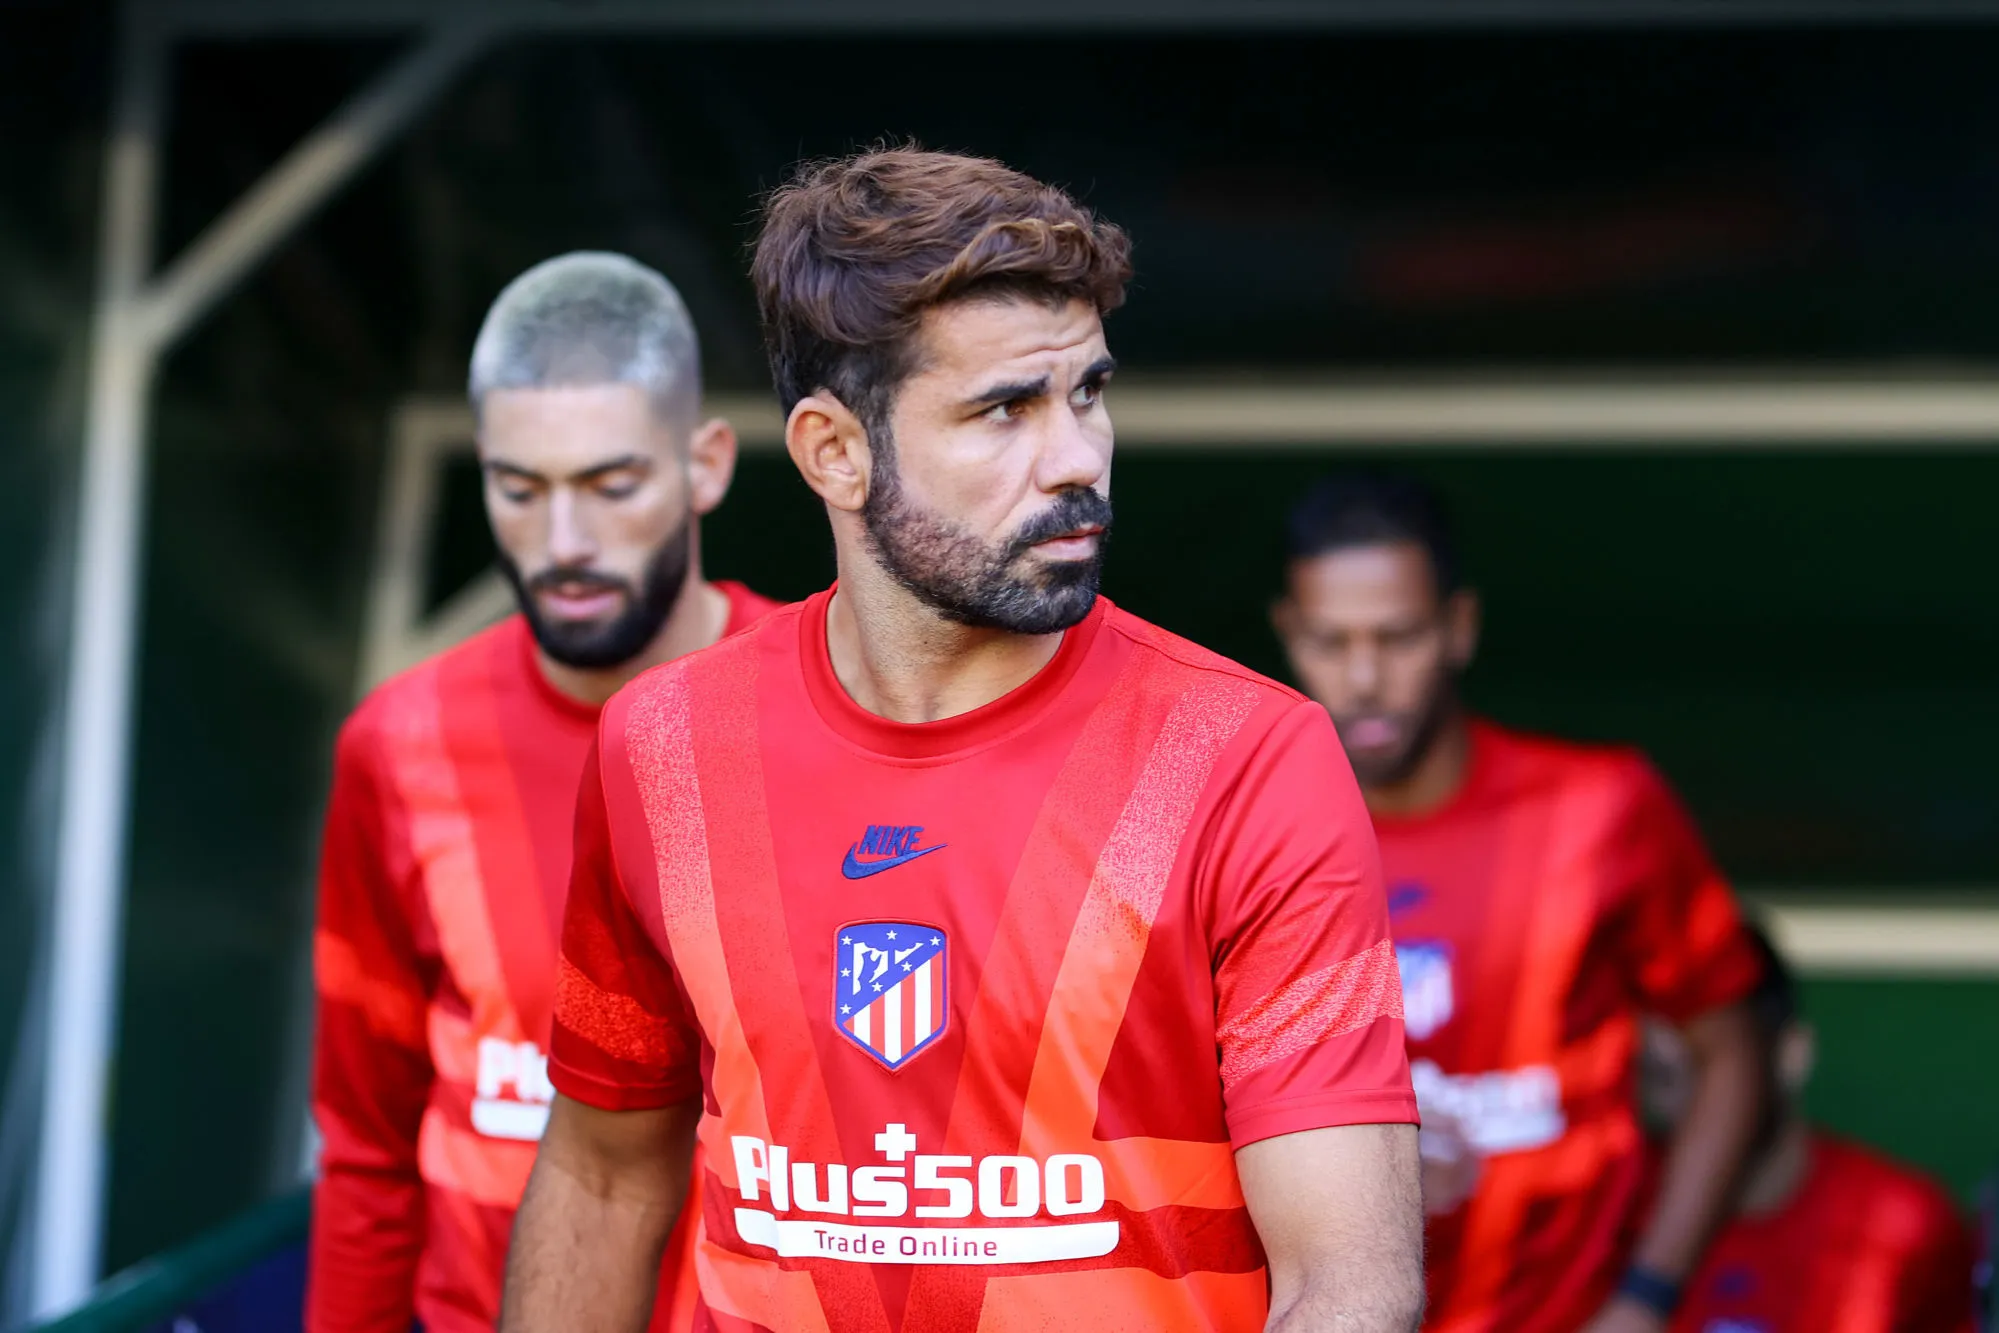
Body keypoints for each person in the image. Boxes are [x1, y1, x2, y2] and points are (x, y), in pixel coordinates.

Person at [500, 148, 1425, 1333]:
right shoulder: (662, 749)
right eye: (1004, 409)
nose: (1077, 458)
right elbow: (602, 1174)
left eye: (1086, 393)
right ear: (834, 452)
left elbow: (1347, 1284)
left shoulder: (1248, 756)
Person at [307, 252, 780, 1333]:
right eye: (519, 490)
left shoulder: (821, 713)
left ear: (705, 465)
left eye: (612, 487)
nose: (564, 542)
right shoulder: (398, 746)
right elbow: (367, 1144)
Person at [1271, 472, 1770, 1333]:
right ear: (1286, 631)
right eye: (1328, 641)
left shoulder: (1596, 810)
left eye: (1397, 637)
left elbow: (1730, 1054)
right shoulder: (1247, 833)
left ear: (1458, 626)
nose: (1363, 676)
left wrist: (1645, 1299)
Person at [1641, 928, 1978, 1333]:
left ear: (1790, 1054)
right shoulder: (1609, 1223)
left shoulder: (1906, 1224)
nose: (1684, 1107)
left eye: (1708, 1072)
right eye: (1659, 1076)